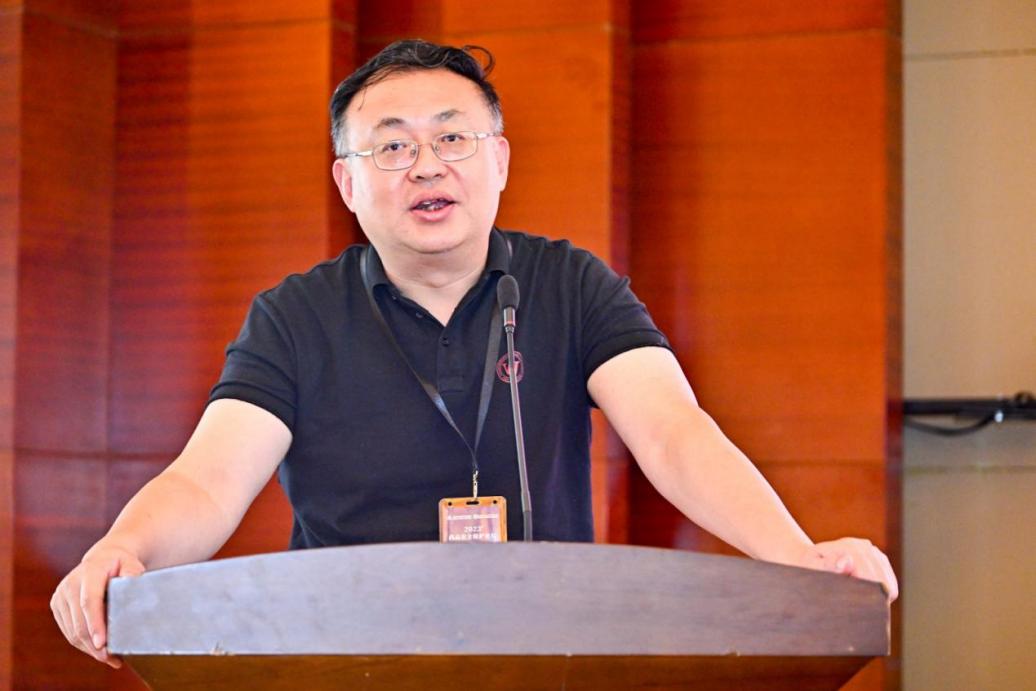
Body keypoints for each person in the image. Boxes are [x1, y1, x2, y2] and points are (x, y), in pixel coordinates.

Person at [51, 39, 898, 668]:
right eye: (392, 146)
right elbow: (208, 479)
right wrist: (125, 549)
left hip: (549, 653)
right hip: (347, 659)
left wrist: (799, 558)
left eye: (453, 139)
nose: (427, 166)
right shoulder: (295, 315)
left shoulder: (572, 284)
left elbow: (675, 433)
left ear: (498, 162)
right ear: (348, 182)